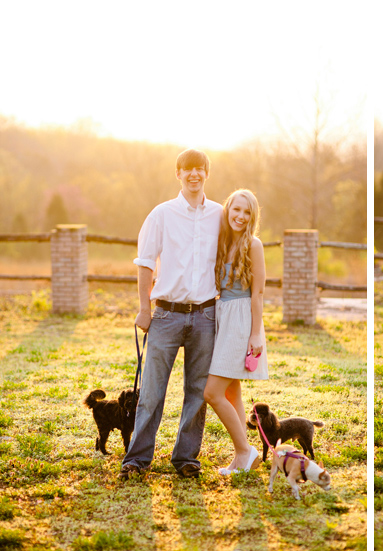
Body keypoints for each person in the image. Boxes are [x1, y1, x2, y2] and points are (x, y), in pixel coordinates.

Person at [121, 149, 221, 480]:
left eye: (200, 169)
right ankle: (137, 459)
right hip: (165, 315)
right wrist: (144, 308)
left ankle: (186, 458)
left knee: (198, 392)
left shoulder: (219, 215)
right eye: (187, 169)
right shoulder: (161, 215)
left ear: (207, 173)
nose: (194, 174)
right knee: (151, 392)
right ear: (178, 174)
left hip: (206, 315)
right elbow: (146, 262)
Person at [203, 189, 268, 475]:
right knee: (232, 392)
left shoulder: (253, 245)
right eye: (236, 210)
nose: (240, 217)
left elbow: (259, 293)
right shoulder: (222, 241)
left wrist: (256, 334)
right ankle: (241, 459)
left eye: (247, 213)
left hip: (241, 320)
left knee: (212, 393)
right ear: (227, 209)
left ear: (252, 218)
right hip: (223, 316)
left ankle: (246, 451)